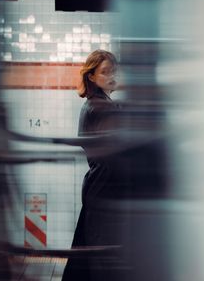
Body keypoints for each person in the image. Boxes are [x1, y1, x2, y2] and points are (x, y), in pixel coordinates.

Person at [61, 50, 125, 281]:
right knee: (101, 256)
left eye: (113, 71)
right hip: (105, 188)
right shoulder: (100, 107)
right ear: (91, 76)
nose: (110, 76)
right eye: (104, 72)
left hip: (98, 186)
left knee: (88, 252)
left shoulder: (96, 104)